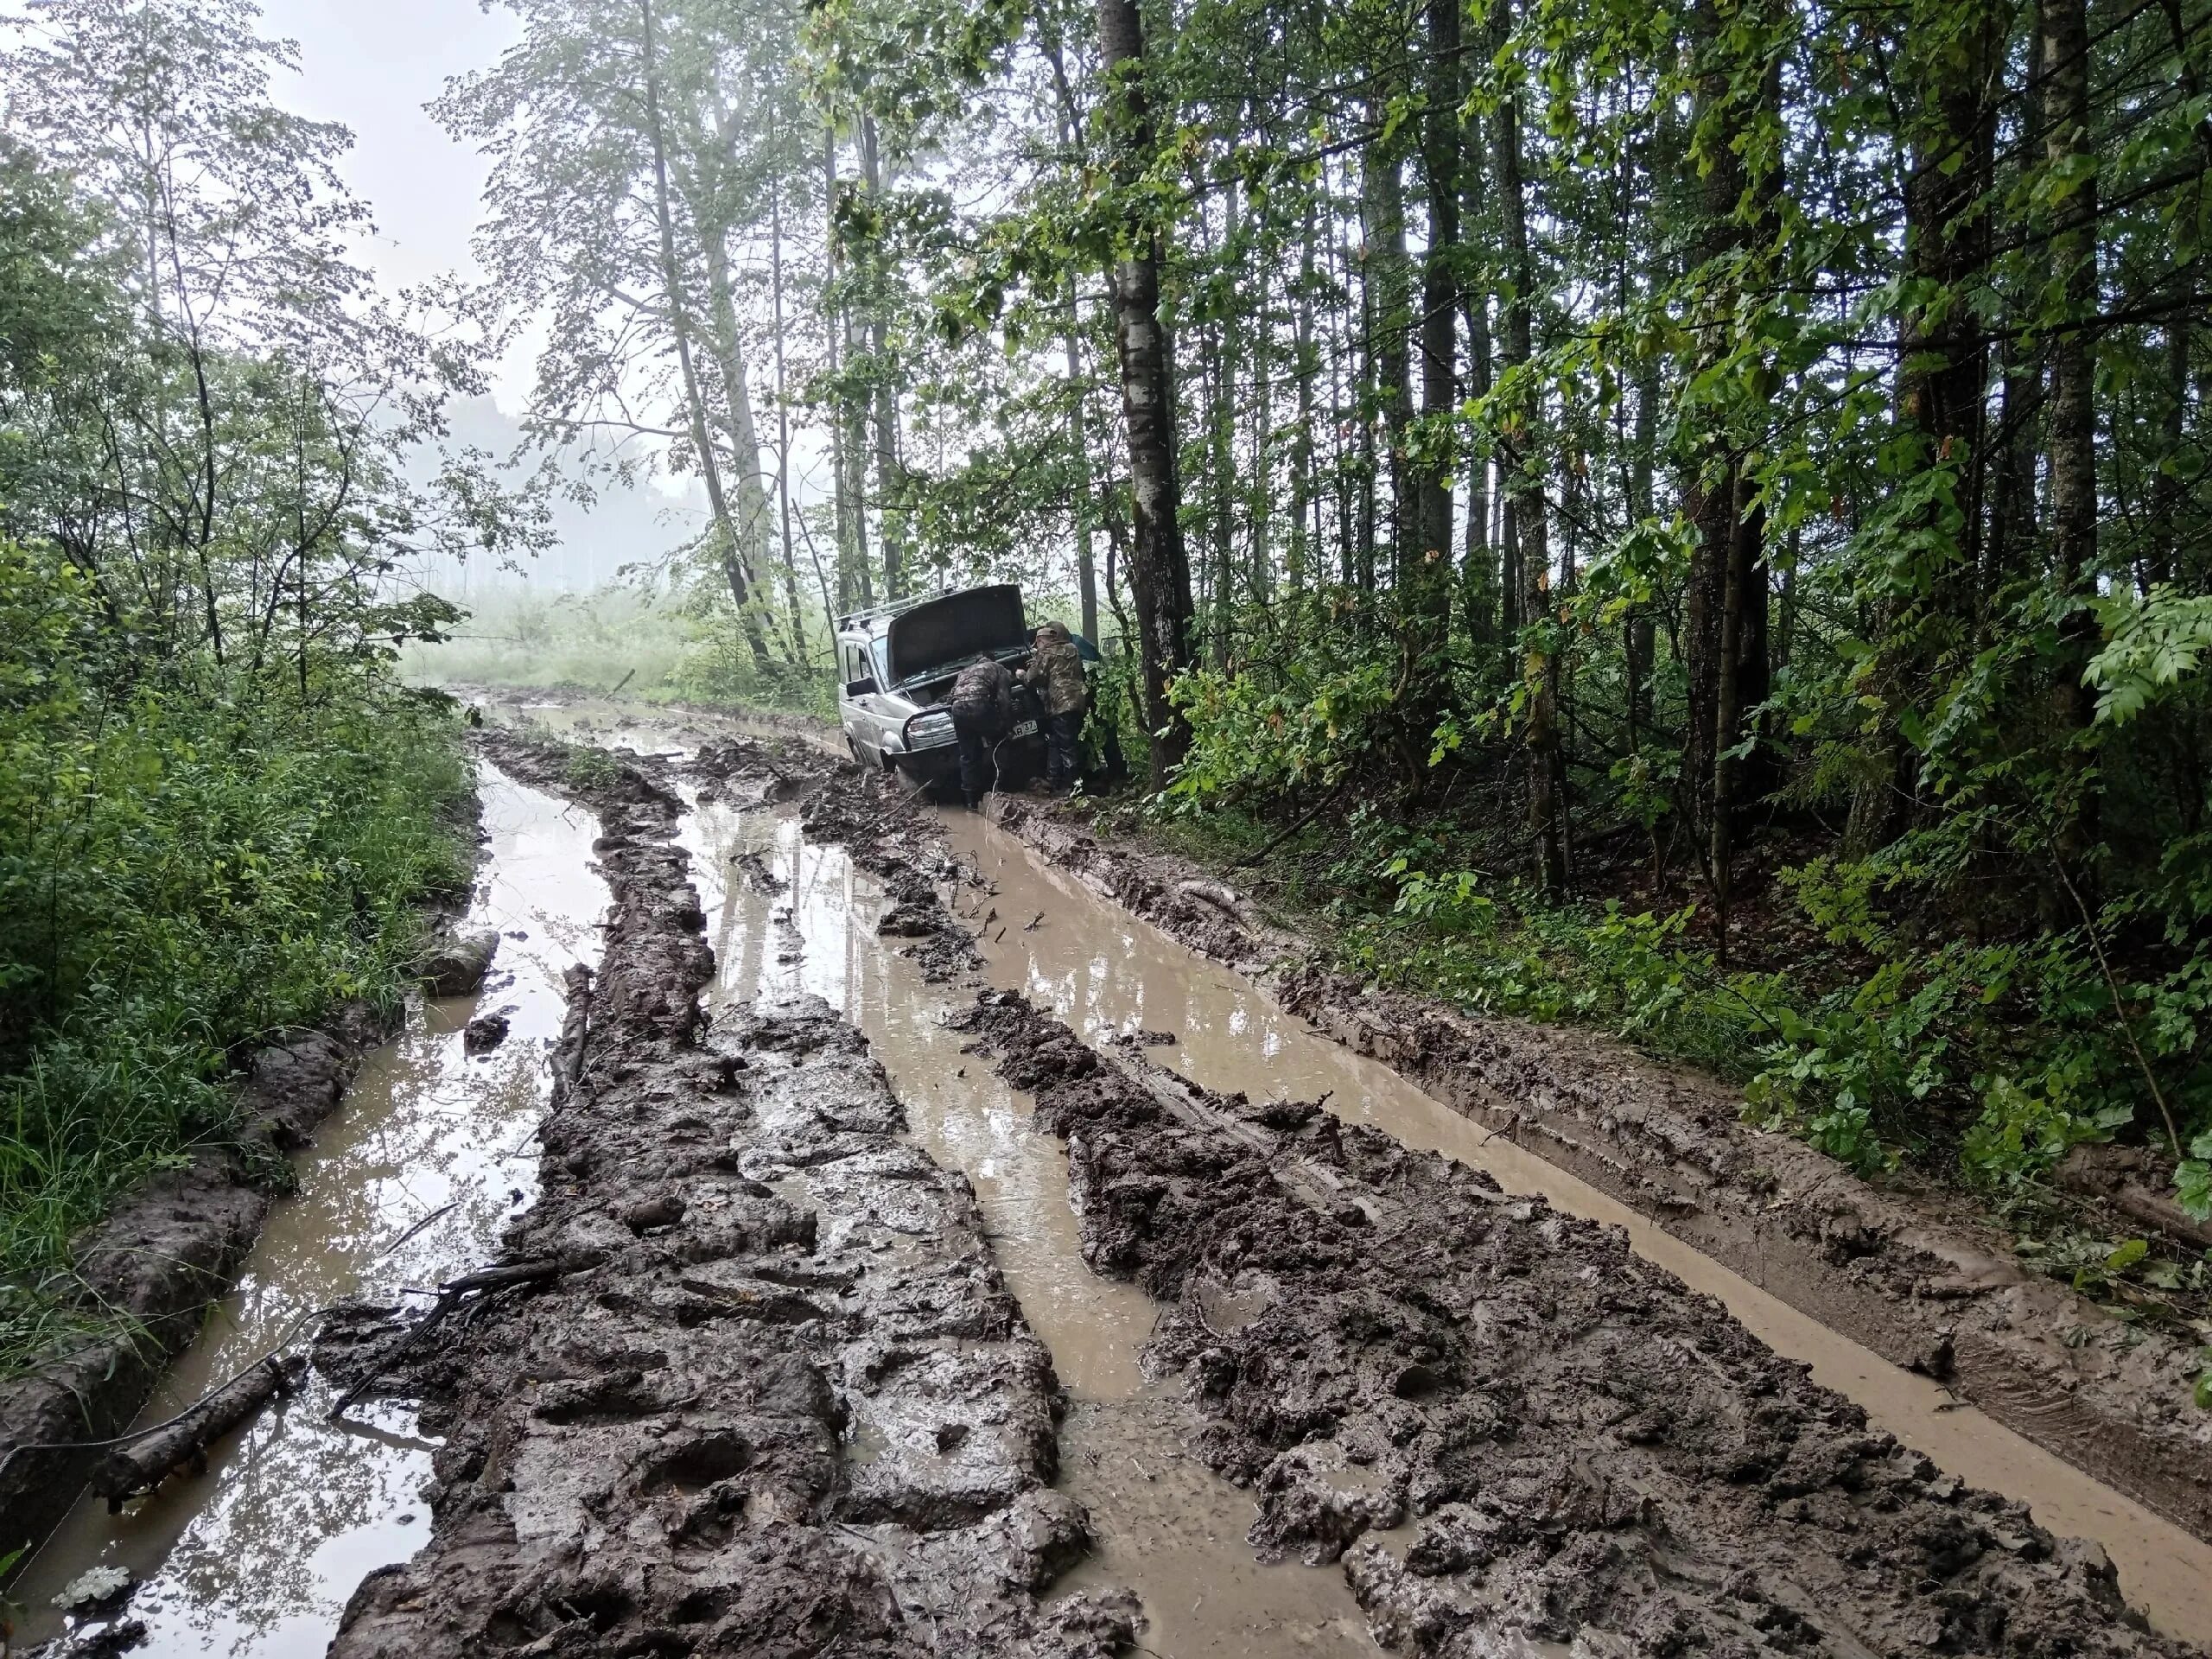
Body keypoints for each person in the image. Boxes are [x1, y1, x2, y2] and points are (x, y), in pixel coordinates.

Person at [1020, 620, 1088, 791]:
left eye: (1039, 643)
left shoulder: (1046, 652)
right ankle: (1054, 781)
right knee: (1057, 741)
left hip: (1061, 704)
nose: (1038, 646)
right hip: (1078, 702)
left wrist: (1022, 674)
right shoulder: (1072, 649)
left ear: (1043, 641)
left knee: (1067, 747)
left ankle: (1073, 789)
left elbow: (1033, 679)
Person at [947, 653, 1015, 808]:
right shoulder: (998, 668)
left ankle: (971, 800)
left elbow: (950, 697)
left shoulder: (964, 672)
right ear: (992, 660)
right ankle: (999, 789)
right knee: (1001, 740)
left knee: (968, 754)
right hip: (979, 705)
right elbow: (1004, 700)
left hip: (957, 709)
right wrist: (1008, 726)